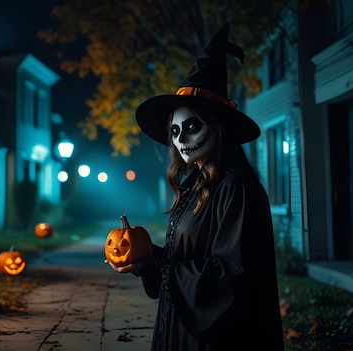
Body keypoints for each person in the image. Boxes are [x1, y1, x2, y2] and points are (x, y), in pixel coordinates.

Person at [107, 23, 284, 350]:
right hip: (183, 327)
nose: (181, 140)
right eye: (174, 132)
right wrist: (146, 258)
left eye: (191, 127)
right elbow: (186, 261)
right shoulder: (195, 185)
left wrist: (160, 266)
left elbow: (230, 275)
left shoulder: (236, 187)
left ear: (218, 128)